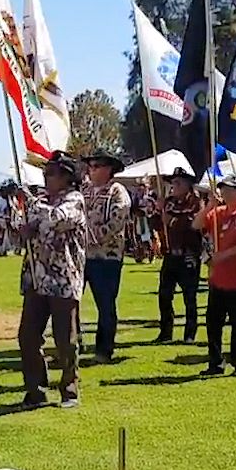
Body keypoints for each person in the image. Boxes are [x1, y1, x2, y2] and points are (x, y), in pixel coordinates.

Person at [16, 151, 87, 409]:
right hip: (36, 277)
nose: (47, 178)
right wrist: (23, 226)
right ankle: (35, 389)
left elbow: (58, 218)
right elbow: (27, 226)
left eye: (52, 174)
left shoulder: (75, 200)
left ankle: (70, 389)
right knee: (28, 336)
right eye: (45, 173)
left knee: (65, 339)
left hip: (63, 279)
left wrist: (31, 201)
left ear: (67, 177)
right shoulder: (43, 201)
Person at [194, 172, 236, 377]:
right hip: (219, 279)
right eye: (223, 188)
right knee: (213, 323)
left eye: (230, 188)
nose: (225, 192)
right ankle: (216, 362)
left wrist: (223, 255)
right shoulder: (218, 213)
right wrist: (208, 206)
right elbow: (196, 225)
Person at [81, 149, 130, 364]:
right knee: (70, 302)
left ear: (109, 168)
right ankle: (73, 344)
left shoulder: (117, 192)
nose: (92, 170)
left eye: (96, 166)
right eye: (90, 166)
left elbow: (117, 219)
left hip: (106, 257)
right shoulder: (84, 190)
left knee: (105, 304)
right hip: (82, 255)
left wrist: (91, 236)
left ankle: (104, 349)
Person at [154, 167, 202, 344]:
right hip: (170, 255)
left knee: (190, 296)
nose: (174, 186)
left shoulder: (196, 202)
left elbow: (193, 226)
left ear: (188, 185)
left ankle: (190, 333)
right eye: (173, 182)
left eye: (178, 182)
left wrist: (172, 221)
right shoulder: (168, 202)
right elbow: (156, 224)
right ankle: (166, 331)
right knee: (164, 294)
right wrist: (157, 211)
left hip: (188, 254)